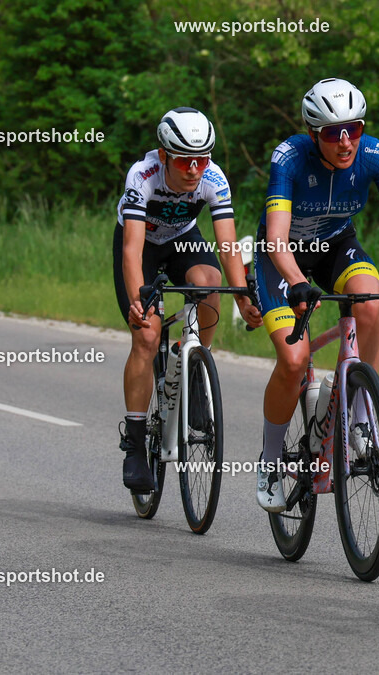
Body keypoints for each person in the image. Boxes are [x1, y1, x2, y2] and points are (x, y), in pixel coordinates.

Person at [254, 78, 379, 512]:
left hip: (336, 247)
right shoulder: (290, 158)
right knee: (294, 361)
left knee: (370, 303)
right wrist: (295, 280)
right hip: (284, 257)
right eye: (334, 133)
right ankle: (270, 461)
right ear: (314, 134)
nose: (346, 140)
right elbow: (276, 238)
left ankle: (360, 415)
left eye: (355, 128)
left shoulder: (374, 154)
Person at [115, 107, 261, 493]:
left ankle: (195, 365)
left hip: (182, 239)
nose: (195, 168)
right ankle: (133, 441)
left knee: (211, 283)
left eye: (202, 158)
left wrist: (244, 296)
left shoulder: (213, 177)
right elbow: (131, 249)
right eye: (185, 160)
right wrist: (137, 299)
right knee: (146, 334)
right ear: (164, 155)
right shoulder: (141, 176)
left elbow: (228, 245)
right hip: (142, 245)